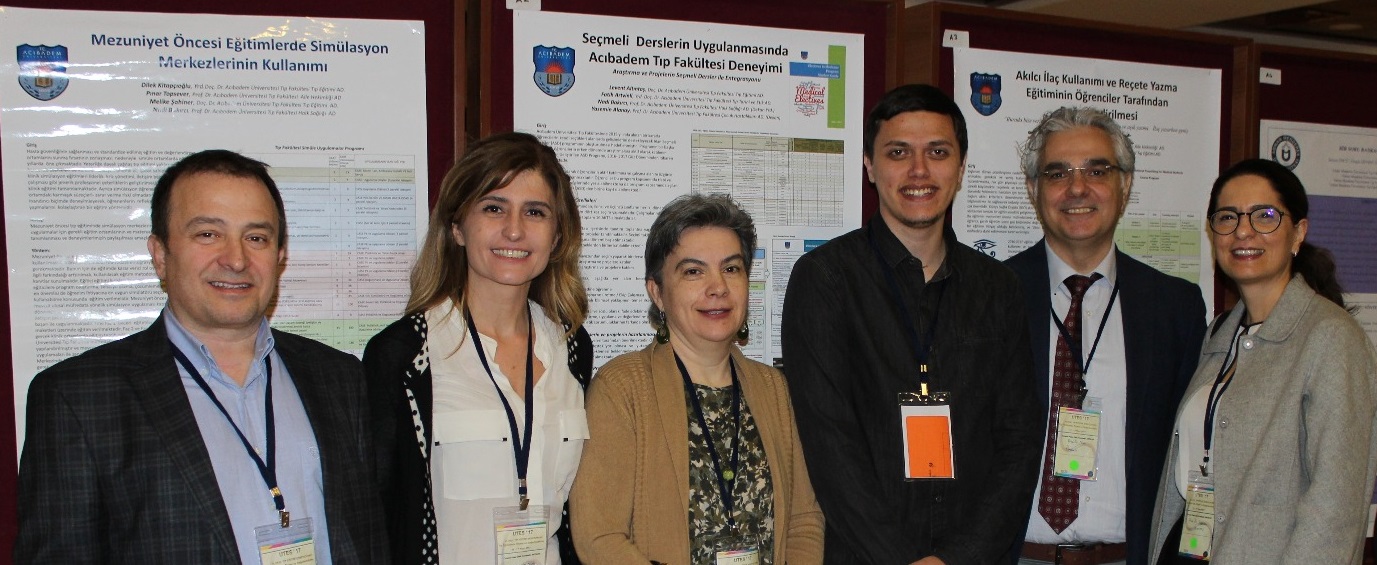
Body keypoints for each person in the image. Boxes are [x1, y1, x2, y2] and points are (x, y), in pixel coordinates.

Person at [15, 150, 388, 563]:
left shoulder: (339, 378)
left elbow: (370, 542)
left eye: (256, 237)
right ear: (160, 254)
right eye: (208, 234)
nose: (236, 259)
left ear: (280, 255)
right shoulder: (79, 398)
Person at [781, 83, 1042, 565]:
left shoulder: (998, 288)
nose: (919, 170)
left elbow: (1019, 442)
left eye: (937, 152)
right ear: (869, 166)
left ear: (961, 168)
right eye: (898, 152)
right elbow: (830, 446)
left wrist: (958, 558)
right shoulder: (825, 280)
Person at [364, 131, 592, 565]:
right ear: (457, 227)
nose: (514, 230)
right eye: (493, 208)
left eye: (535, 212)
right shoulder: (405, 356)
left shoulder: (572, 347)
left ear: (557, 236)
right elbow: (379, 517)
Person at [571, 193, 823, 565]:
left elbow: (804, 519)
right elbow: (599, 537)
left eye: (731, 268)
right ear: (657, 292)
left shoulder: (773, 388)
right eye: (693, 271)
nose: (717, 286)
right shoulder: (622, 388)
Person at [1149, 159, 1377, 564]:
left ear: (1298, 233)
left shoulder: (1331, 337)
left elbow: (1336, 507)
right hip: (1188, 550)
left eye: (1265, 216)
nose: (1243, 231)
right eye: (1228, 217)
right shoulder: (1220, 334)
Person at [1006, 107, 1205, 565]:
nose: (1078, 188)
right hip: (1017, 556)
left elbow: (1190, 454)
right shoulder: (988, 295)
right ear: (1034, 189)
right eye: (1058, 173)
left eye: (1097, 171)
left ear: (1125, 184)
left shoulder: (1174, 308)